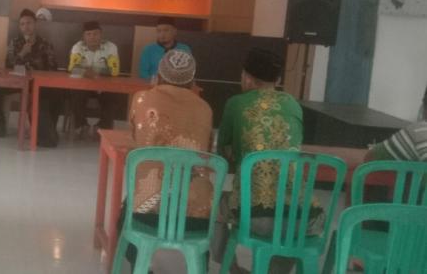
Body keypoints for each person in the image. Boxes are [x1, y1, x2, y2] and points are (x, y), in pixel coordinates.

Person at [214, 48, 314, 274]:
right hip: (302, 217)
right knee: (290, 219)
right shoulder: (293, 104)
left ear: (246, 77)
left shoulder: (236, 104)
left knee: (211, 203)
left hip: (253, 214)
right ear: (277, 81)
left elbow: (224, 154)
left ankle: (232, 268)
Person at [121, 50, 214, 267]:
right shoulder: (204, 108)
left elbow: (136, 138)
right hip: (196, 218)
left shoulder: (142, 98)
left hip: (146, 213)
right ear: (192, 81)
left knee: (123, 218)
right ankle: (199, 268)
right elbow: (206, 150)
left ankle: (140, 267)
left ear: (159, 75)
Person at [0, 9, 62, 146]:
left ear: (35, 24)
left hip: (37, 83)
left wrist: (38, 71)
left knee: (57, 93)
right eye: (22, 24)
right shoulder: (15, 42)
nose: (26, 27)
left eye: (29, 23)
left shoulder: (45, 44)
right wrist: (22, 53)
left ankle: (48, 130)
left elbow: (53, 67)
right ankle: (1, 124)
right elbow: (8, 65)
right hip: (17, 81)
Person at [68, 21, 122, 134]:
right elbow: (72, 68)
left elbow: (114, 71)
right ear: (83, 37)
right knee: (75, 93)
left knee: (113, 96)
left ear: (101, 34)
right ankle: (81, 125)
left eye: (95, 34)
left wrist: (88, 72)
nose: (92, 37)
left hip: (103, 84)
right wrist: (96, 73)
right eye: (89, 34)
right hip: (83, 85)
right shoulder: (78, 47)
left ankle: (102, 128)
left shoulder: (110, 47)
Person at [138, 16, 192, 81]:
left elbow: (188, 73)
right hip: (153, 85)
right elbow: (143, 73)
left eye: (166, 30)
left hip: (177, 85)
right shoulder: (148, 49)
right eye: (159, 31)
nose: (162, 34)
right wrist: (157, 81)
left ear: (175, 31)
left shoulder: (184, 49)